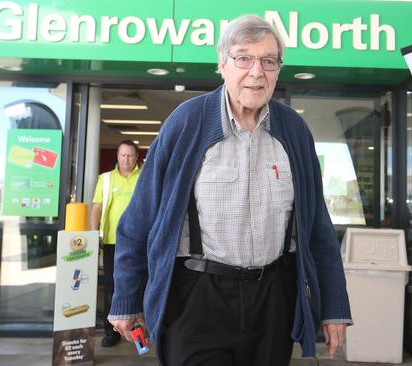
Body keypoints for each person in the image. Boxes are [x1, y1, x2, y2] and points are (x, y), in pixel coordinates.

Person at [109, 14, 352, 365]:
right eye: (243, 58)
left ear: (278, 70)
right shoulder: (187, 122)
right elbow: (139, 219)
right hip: (196, 296)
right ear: (222, 64)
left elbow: (318, 229)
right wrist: (127, 299)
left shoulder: (294, 131)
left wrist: (333, 306)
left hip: (273, 297)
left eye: (269, 61)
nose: (257, 72)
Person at [90, 140, 141, 347]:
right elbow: (97, 207)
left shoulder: (145, 177)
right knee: (112, 288)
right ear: (117, 156)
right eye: (122, 155)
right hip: (113, 242)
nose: (126, 159)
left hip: (140, 242)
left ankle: (140, 331)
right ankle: (111, 332)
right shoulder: (106, 179)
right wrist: (94, 235)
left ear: (136, 157)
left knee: (141, 286)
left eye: (130, 155)